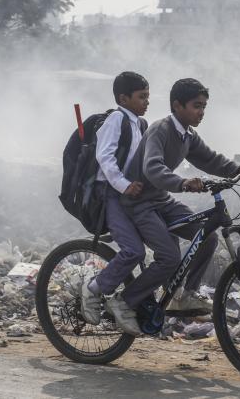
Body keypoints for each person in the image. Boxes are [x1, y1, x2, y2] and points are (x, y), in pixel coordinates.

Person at [120, 78, 240, 315]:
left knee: (207, 236)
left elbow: (210, 159)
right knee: (170, 257)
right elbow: (152, 168)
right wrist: (183, 182)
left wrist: (238, 170)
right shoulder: (160, 130)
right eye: (197, 105)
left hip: (160, 201)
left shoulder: (187, 135)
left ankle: (185, 295)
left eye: (204, 106)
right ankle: (124, 301)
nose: (202, 112)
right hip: (140, 203)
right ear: (177, 105)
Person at [81, 71, 150, 336]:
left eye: (147, 97)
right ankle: (95, 288)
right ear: (123, 98)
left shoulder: (140, 124)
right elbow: (105, 157)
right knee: (133, 251)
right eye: (141, 97)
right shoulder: (116, 119)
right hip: (111, 194)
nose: (146, 102)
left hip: (133, 195)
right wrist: (123, 184)